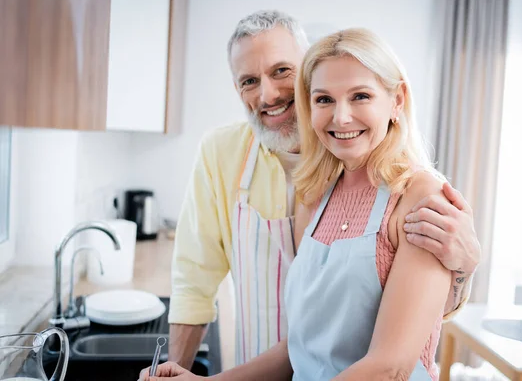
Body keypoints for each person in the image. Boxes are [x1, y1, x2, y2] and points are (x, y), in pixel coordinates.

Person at [140, 26, 476, 381]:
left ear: (397, 100)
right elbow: (299, 346)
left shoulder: (420, 197)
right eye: (324, 100)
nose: (341, 117)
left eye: (360, 96)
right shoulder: (316, 196)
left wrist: (464, 273)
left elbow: (389, 368)